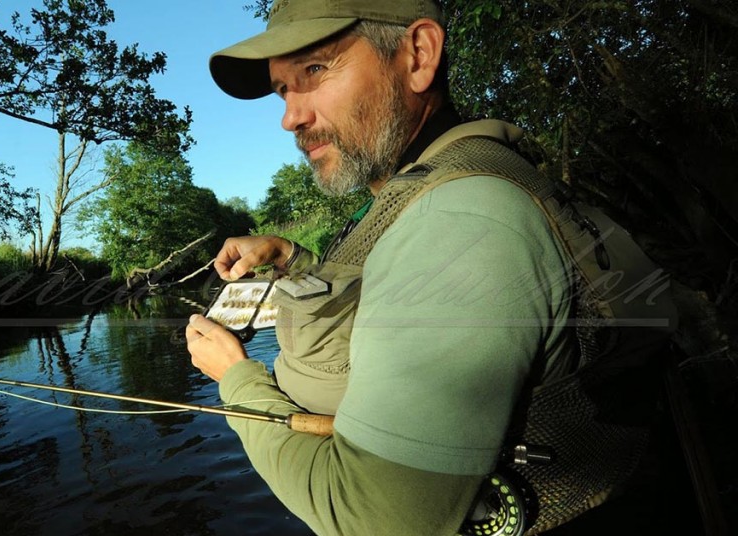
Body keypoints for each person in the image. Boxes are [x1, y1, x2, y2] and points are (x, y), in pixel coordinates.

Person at [185, 1, 580, 535]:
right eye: (283, 89)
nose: (290, 117)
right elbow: (378, 290)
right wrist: (289, 257)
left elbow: (371, 520)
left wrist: (236, 379)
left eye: (316, 70)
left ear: (418, 54)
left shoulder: (461, 221)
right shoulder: (423, 183)